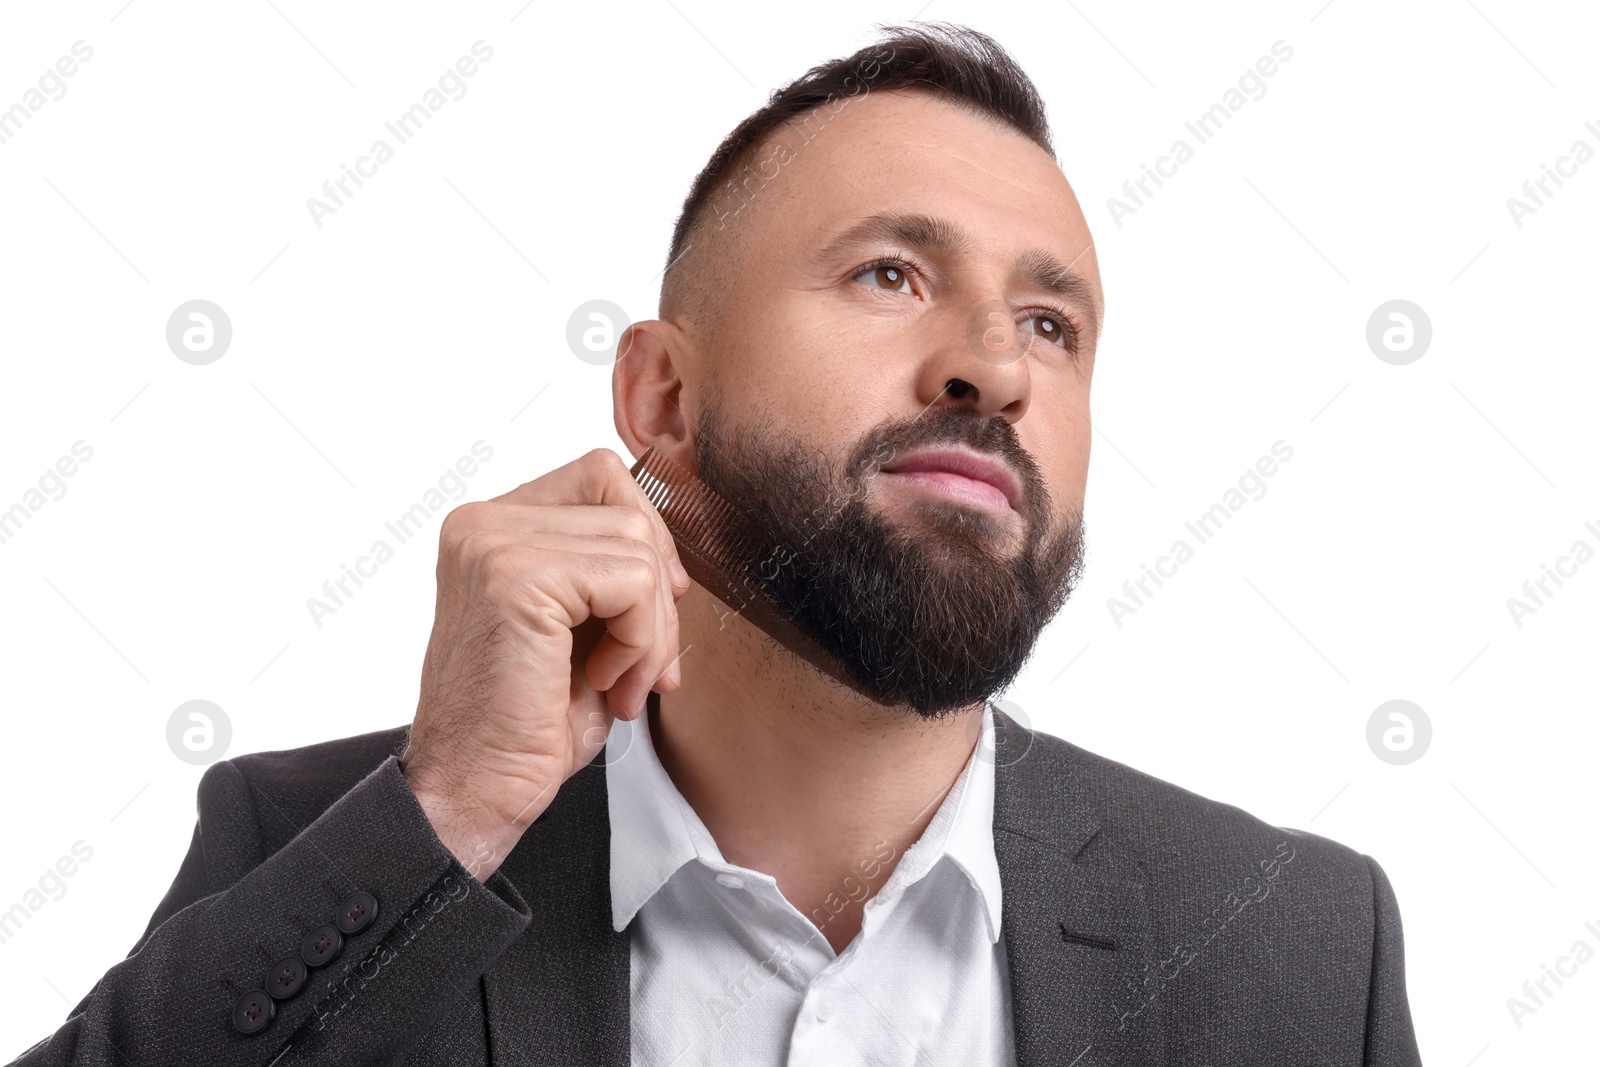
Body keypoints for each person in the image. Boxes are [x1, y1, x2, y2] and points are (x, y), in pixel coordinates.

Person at [10, 21, 1422, 1066]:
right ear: (663, 402)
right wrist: (446, 817)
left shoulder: (1290, 945)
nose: (994, 367)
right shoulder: (332, 847)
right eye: (891, 273)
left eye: (1053, 324)